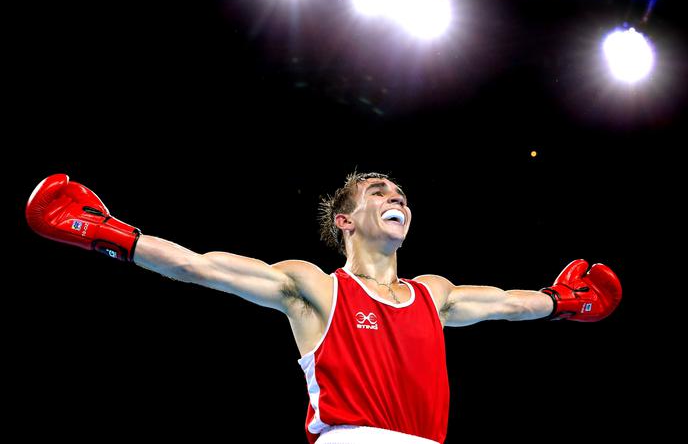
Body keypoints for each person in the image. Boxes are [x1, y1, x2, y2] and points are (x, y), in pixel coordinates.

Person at [25, 171, 622, 444]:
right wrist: (106, 234)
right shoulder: (315, 286)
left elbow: (506, 305)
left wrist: (561, 302)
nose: (398, 200)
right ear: (346, 221)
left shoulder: (432, 294)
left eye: (403, 196)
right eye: (380, 194)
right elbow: (198, 264)